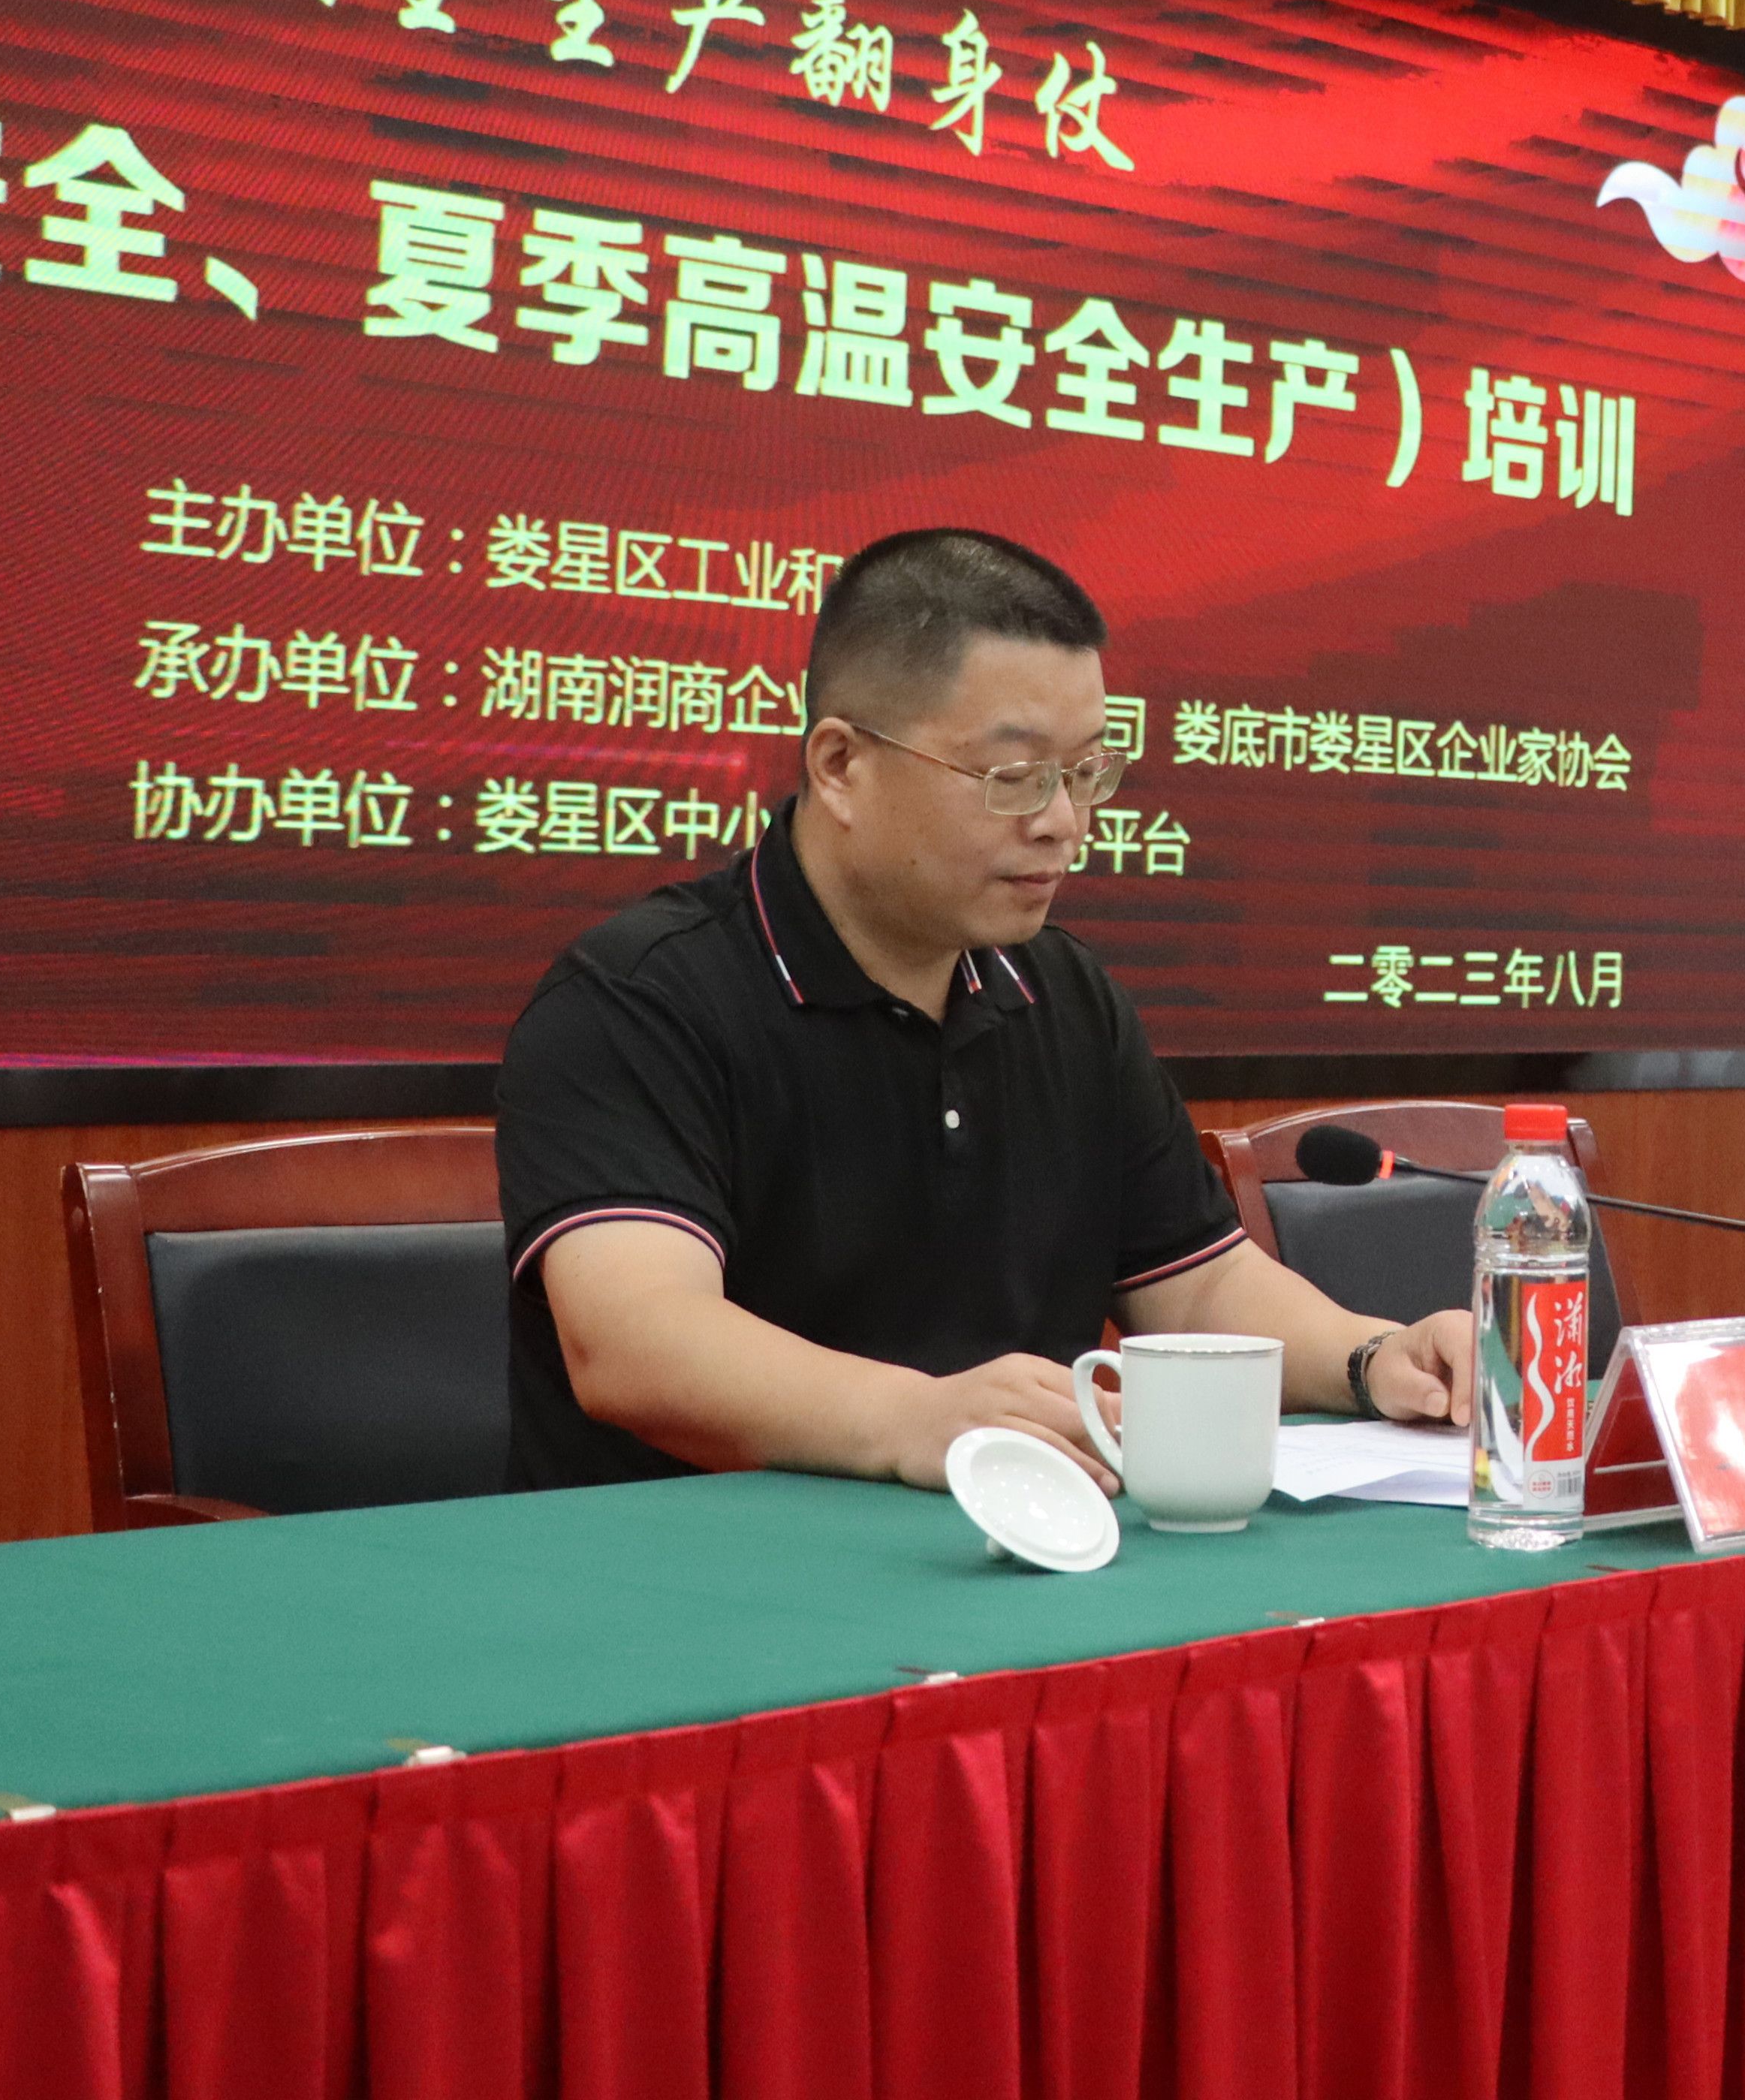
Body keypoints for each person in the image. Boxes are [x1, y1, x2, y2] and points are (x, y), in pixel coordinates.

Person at [496, 527, 1475, 1493]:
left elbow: (1195, 1285)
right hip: (687, 1566)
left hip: (1023, 1546)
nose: (1063, 822)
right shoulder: (637, 999)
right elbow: (635, 1344)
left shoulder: (1063, 995)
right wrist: (914, 1419)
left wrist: (1373, 1357)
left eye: (1085, 772)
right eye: (1013, 778)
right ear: (840, 766)